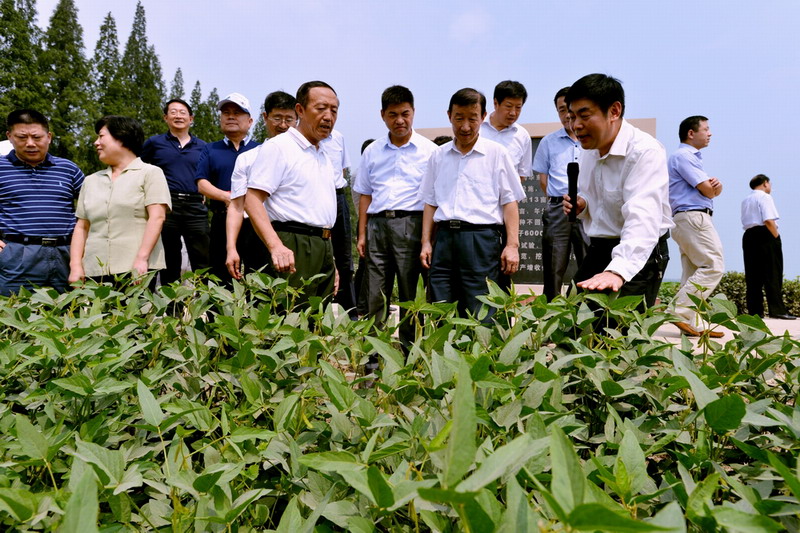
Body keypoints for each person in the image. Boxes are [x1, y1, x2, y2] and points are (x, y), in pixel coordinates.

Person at [562, 74, 673, 309]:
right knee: (572, 318)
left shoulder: (644, 152)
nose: (576, 125)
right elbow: (597, 197)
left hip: (640, 253)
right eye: (572, 117)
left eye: (584, 115)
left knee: (616, 327)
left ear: (614, 111)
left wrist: (618, 271)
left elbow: (643, 218)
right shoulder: (589, 150)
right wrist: (583, 205)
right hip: (599, 249)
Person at [419, 88, 525, 318]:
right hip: (444, 240)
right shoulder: (438, 156)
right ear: (449, 116)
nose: (465, 126)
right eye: (459, 118)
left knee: (481, 310)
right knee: (441, 307)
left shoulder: (497, 154)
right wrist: (426, 242)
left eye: (472, 119)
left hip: (481, 241)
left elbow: (510, 202)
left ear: (483, 117)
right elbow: (430, 202)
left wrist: (512, 245)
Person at [354, 85, 438, 347]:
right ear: (383, 115)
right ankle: (373, 353)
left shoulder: (429, 151)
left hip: (412, 224)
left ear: (413, 112)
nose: (399, 120)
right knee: (375, 291)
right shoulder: (372, 151)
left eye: (405, 114)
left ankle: (409, 351)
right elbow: (365, 194)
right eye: (393, 115)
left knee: (410, 292)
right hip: (377, 225)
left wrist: (427, 239)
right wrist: (362, 233)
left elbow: (432, 198)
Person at [244, 81, 339, 302]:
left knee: (317, 317)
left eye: (334, 110)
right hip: (292, 244)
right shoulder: (279, 147)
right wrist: (276, 246)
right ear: (300, 110)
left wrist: (330, 258)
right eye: (321, 108)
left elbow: (321, 212)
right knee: (289, 313)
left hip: (322, 245)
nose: (328, 116)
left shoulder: (324, 155)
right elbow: (252, 200)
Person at [69, 116, 170, 284]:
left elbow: (157, 217)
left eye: (101, 136)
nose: (96, 142)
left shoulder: (150, 173)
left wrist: (141, 259)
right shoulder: (90, 181)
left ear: (122, 137)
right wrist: (75, 265)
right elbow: (82, 227)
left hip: (135, 270)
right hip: (94, 270)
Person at [0, 109, 84, 295]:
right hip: (17, 255)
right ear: (9, 137)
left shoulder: (68, 169)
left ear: (49, 137)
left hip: (65, 254)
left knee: (68, 309)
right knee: (14, 309)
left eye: (37, 137)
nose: (30, 143)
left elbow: (93, 207)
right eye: (22, 137)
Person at [225, 91, 297, 279]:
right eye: (277, 118)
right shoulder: (248, 158)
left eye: (289, 119)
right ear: (265, 117)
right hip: (255, 235)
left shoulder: (306, 157)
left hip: (297, 235)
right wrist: (231, 248)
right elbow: (237, 205)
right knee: (260, 290)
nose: (283, 125)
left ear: (298, 119)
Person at [668, 115, 725, 336]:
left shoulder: (685, 157)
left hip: (686, 218)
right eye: (706, 129)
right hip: (694, 217)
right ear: (691, 133)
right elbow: (709, 191)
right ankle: (679, 311)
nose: (710, 133)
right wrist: (714, 188)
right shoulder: (684, 156)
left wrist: (714, 188)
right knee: (713, 265)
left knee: (692, 271)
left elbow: (711, 190)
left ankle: (693, 324)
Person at [142, 98, 208, 284]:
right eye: (173, 112)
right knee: (169, 258)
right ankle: (171, 301)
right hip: (166, 205)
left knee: (202, 258)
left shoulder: (203, 146)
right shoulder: (154, 143)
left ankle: (206, 300)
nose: (178, 116)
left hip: (195, 205)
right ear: (165, 118)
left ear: (191, 118)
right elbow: (141, 169)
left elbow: (208, 175)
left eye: (182, 112)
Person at [195, 93, 258, 283]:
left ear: (250, 121)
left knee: (256, 274)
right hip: (221, 220)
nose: (230, 117)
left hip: (255, 221)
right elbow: (202, 184)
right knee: (220, 276)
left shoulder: (260, 150)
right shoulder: (210, 149)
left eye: (237, 113)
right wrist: (227, 197)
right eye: (226, 113)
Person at [533, 87, 589, 301]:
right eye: (561, 110)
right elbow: (543, 180)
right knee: (553, 266)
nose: (567, 115)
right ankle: (551, 309)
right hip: (558, 209)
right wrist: (557, 202)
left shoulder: (591, 140)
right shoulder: (548, 142)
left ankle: (585, 308)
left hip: (588, 209)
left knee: (589, 263)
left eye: (570, 109)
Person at [741, 174, 795, 319]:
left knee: (752, 275)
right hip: (765, 234)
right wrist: (776, 236)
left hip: (749, 235)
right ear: (765, 183)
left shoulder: (746, 199)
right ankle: (777, 310)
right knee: (772, 272)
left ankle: (755, 312)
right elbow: (768, 220)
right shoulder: (765, 197)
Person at [320, 128, 357, 318]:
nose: (327, 116)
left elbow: (342, 171)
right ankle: (320, 313)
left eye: (333, 113)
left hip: (338, 196)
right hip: (314, 195)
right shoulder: (301, 138)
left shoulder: (338, 137)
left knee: (344, 256)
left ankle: (349, 313)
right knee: (319, 253)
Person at [480, 80, 532, 181]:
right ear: (496, 103)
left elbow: (522, 175)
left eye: (518, 108)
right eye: (508, 106)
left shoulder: (522, 135)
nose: (513, 113)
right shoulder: (477, 129)